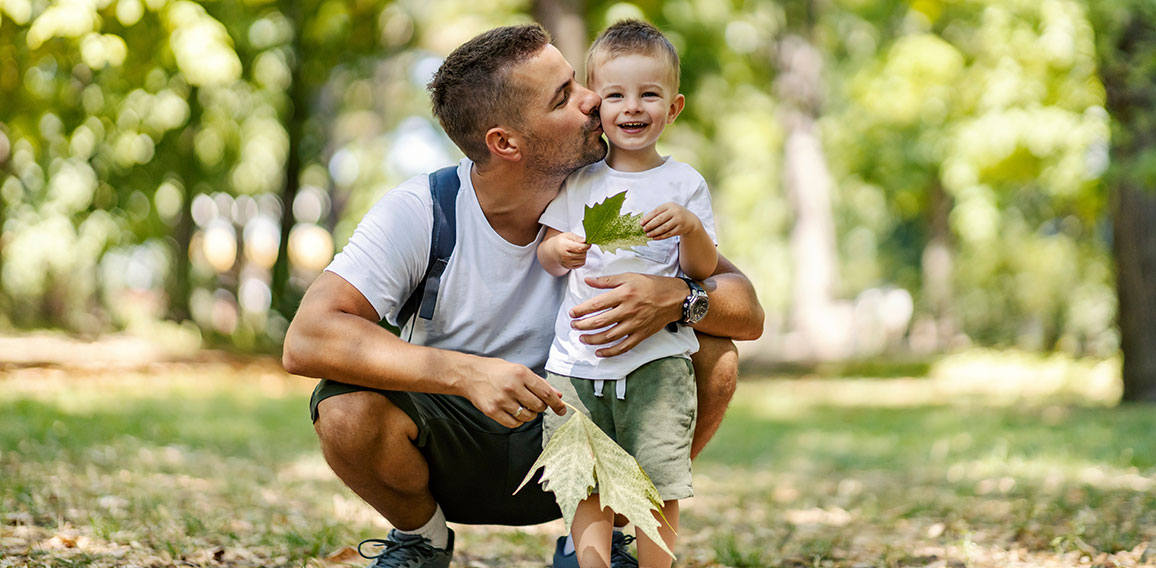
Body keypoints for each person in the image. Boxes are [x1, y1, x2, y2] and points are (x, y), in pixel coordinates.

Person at [281, 23, 764, 568]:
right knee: (344, 405)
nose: (593, 101)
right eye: (565, 96)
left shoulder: (616, 197)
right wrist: (466, 373)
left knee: (713, 353)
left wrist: (677, 299)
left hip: (581, 420)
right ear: (504, 142)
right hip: (454, 444)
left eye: (578, 83)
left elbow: (745, 311)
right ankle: (423, 539)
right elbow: (307, 338)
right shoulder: (422, 210)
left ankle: (604, 539)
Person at [536, 19, 713, 568]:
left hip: (656, 366)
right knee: (584, 481)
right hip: (577, 364)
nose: (632, 108)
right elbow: (546, 251)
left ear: (674, 107)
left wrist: (689, 228)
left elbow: (701, 272)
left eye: (649, 95)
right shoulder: (580, 180)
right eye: (616, 95)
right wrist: (559, 250)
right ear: (597, 105)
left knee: (657, 483)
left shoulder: (684, 184)